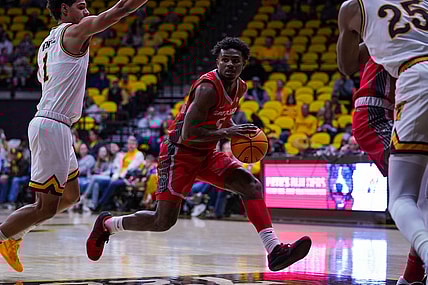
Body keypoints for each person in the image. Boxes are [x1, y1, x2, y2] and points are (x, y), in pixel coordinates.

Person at [87, 37, 312, 271]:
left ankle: (274, 250)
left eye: (235, 61)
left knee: (251, 186)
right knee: (162, 221)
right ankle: (108, 224)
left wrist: (237, 133)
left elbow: (222, 118)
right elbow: (188, 134)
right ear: (217, 61)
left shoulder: (240, 87)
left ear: (244, 63)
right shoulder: (207, 88)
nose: (229, 65)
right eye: (225, 60)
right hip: (179, 154)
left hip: (207, 152)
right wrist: (229, 131)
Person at [0, 0, 150, 272]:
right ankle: (5, 236)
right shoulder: (74, 31)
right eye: (81, 7)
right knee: (44, 207)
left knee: (70, 196)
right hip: (51, 125)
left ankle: (16, 234)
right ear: (64, 10)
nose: (87, 12)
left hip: (57, 124)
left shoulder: (48, 41)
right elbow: (119, 11)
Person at [337, 0, 428, 281]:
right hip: (376, 111)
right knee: (417, 195)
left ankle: (413, 275)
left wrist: (348, 28)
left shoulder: (362, 11)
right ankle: (412, 275)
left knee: (412, 196)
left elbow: (346, 65)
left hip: (407, 96)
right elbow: (352, 63)